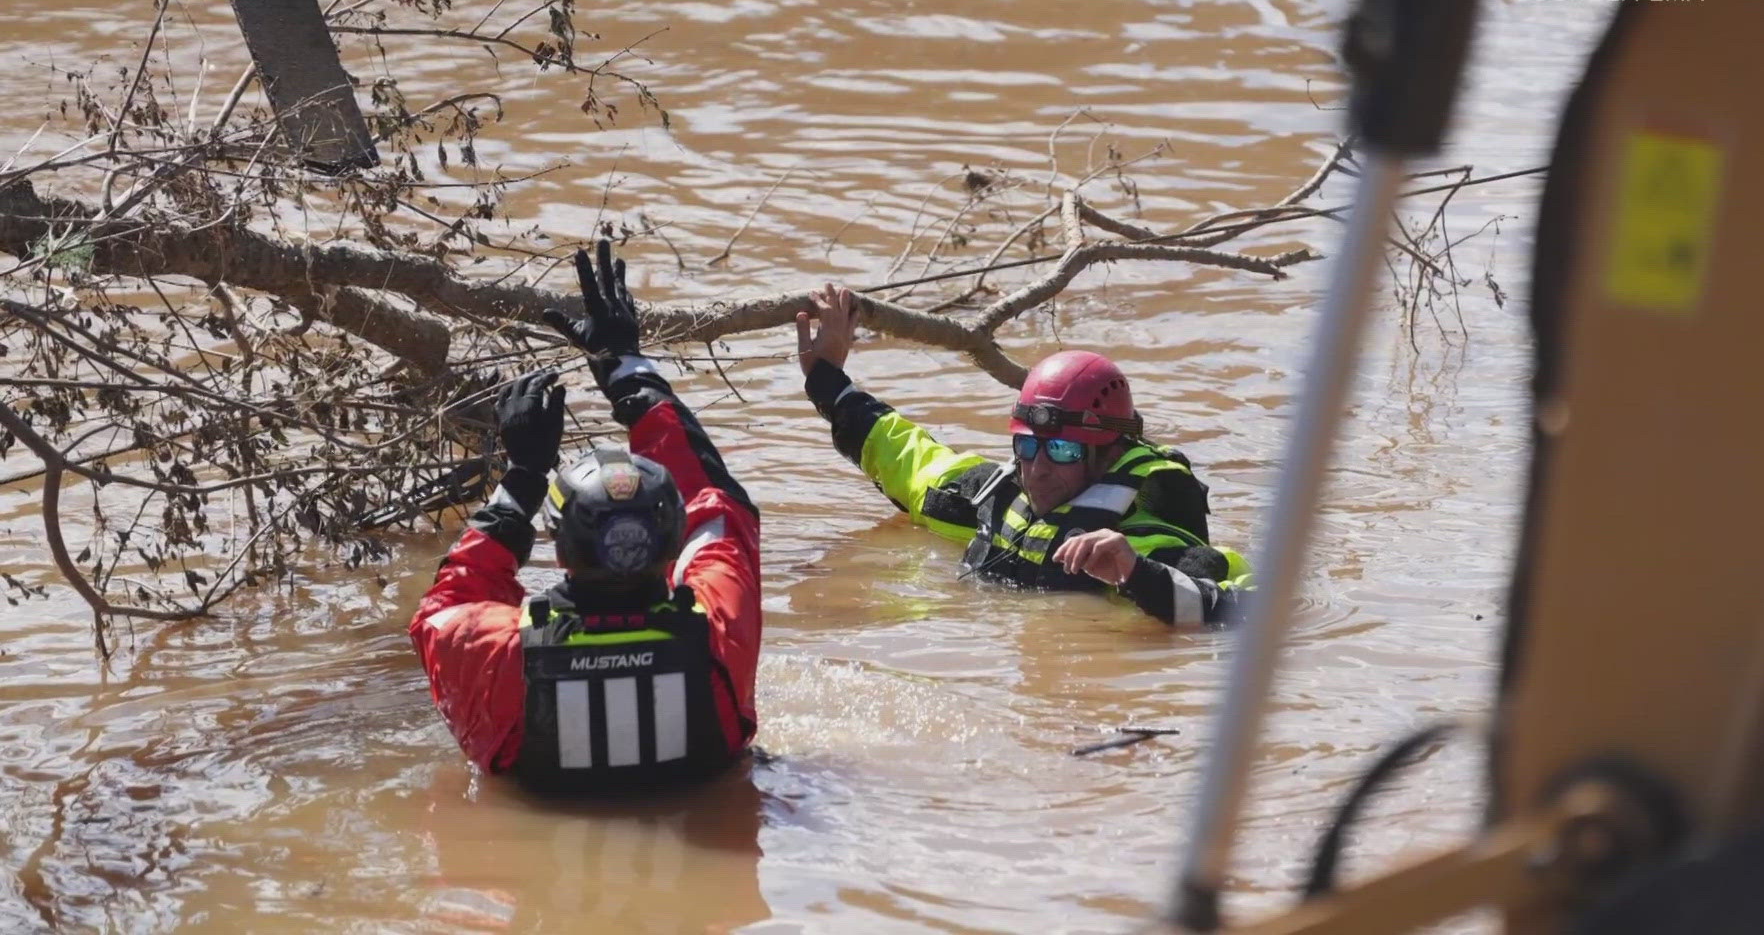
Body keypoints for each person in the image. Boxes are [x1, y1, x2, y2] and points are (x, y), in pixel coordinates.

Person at [410, 241, 761, 788]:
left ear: (558, 548)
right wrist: (628, 368)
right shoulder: (719, 635)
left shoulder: (501, 656)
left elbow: (448, 601)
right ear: (671, 549)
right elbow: (717, 502)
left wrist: (524, 478)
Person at [795, 283, 1252, 627]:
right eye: (1027, 446)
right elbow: (907, 456)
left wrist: (1138, 574)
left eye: (1061, 449)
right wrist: (826, 380)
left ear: (1109, 453)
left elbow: (1255, 609)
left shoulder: (1153, 535)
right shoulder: (998, 498)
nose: (1038, 468)